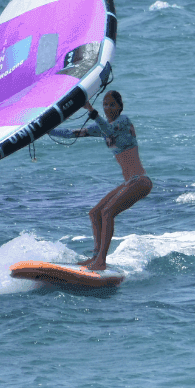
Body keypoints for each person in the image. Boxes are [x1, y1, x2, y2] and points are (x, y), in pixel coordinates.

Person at [52, 90, 152, 270]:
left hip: (140, 181)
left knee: (107, 212)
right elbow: (71, 133)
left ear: (120, 107)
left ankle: (101, 262)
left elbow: (110, 130)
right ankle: (95, 257)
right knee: (94, 213)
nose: (107, 107)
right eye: (105, 104)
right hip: (129, 183)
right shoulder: (102, 127)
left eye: (112, 104)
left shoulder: (123, 121)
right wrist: (44, 130)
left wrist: (91, 110)